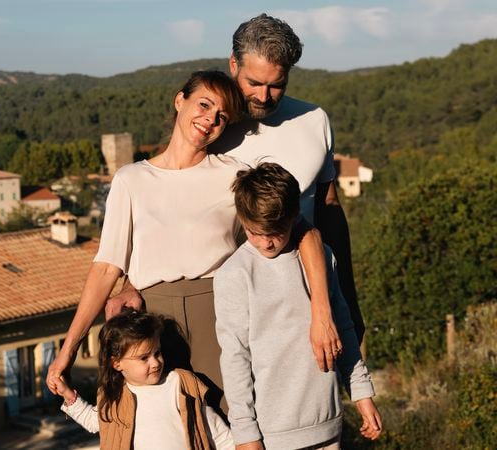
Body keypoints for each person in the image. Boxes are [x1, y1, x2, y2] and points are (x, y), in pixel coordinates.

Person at [46, 71, 340, 415]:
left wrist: (322, 312)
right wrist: (67, 350)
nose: (210, 119)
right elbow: (106, 268)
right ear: (179, 100)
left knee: (234, 422)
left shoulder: (233, 175)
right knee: (158, 428)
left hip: (222, 316)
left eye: (222, 117)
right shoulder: (131, 179)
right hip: (151, 327)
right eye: (204, 104)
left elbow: (303, 232)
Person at [211, 13, 366, 343]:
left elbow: (328, 208)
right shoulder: (210, 127)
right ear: (233, 65)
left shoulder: (315, 121)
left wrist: (349, 298)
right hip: (225, 298)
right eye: (254, 83)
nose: (264, 97)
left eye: (276, 85)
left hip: (307, 298)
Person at [214, 162, 381, 450]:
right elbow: (235, 357)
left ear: (294, 217)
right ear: (242, 219)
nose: (266, 243)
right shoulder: (234, 275)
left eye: (276, 232)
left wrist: (362, 393)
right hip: (271, 435)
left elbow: (342, 326)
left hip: (328, 424)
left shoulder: (321, 258)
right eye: (255, 232)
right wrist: (245, 433)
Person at [50, 309, 234, 450]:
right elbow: (93, 422)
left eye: (157, 353)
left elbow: (216, 432)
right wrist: (68, 395)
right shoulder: (114, 396)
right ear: (117, 363)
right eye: (143, 358)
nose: (155, 363)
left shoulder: (178, 384)